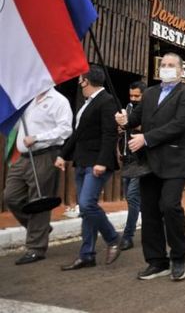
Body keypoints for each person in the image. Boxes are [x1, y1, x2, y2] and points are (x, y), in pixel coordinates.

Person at [115, 53, 185, 281]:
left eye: (172, 65)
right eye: (163, 65)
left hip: (175, 161)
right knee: (149, 210)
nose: (167, 68)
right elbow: (135, 120)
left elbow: (180, 125)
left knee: (170, 206)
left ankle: (179, 256)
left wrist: (146, 138)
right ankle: (157, 261)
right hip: (149, 162)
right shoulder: (150, 94)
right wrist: (125, 120)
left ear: (181, 71)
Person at [55, 65, 121, 270]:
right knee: (86, 210)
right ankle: (87, 255)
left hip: (97, 162)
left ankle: (113, 238)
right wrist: (62, 155)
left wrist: (102, 161)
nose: (79, 83)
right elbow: (78, 134)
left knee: (87, 204)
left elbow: (110, 134)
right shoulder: (87, 104)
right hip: (82, 162)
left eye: (80, 80)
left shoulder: (106, 101)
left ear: (87, 81)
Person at [4, 88, 72, 265]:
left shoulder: (59, 101)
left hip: (44, 155)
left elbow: (65, 130)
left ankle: (36, 248)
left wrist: (38, 137)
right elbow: (18, 126)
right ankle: (40, 229)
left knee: (39, 201)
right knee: (10, 196)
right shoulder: (28, 100)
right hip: (23, 157)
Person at [118, 81, 146, 251]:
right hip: (127, 159)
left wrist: (129, 123)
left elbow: (149, 127)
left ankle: (128, 237)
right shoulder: (127, 108)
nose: (134, 99)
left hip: (141, 160)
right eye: (131, 95)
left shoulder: (149, 109)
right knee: (132, 199)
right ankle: (157, 220)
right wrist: (120, 127)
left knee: (133, 197)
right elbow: (121, 130)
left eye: (137, 96)